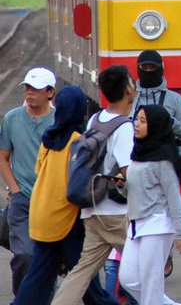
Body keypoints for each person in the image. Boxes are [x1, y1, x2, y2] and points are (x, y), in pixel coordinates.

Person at [13, 86, 118, 305]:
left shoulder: (49, 137)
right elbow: (79, 182)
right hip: (65, 217)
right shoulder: (78, 141)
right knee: (84, 277)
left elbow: (39, 171)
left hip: (41, 212)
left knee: (39, 276)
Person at [52, 65, 137, 305]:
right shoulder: (124, 127)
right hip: (116, 213)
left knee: (82, 271)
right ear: (127, 90)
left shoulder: (94, 119)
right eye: (131, 82)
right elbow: (128, 174)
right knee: (147, 266)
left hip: (91, 209)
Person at [118, 104, 181, 304]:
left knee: (151, 283)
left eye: (143, 121)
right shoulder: (139, 152)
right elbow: (134, 189)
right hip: (136, 224)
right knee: (129, 279)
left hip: (157, 224)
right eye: (137, 119)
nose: (137, 124)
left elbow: (174, 196)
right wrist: (121, 185)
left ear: (156, 125)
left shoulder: (163, 158)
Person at [0, 66, 56, 296]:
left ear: (50, 92)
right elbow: (3, 157)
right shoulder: (12, 119)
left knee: (47, 256)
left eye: (36, 89)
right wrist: (14, 189)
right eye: (27, 88)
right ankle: (23, 297)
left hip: (51, 201)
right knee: (25, 255)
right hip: (22, 199)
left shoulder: (58, 121)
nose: (29, 93)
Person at [131, 50, 181, 142]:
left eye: (152, 67)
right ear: (138, 69)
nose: (148, 71)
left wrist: (170, 122)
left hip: (164, 153)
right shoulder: (130, 98)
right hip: (134, 153)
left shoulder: (175, 99)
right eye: (144, 68)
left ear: (161, 68)